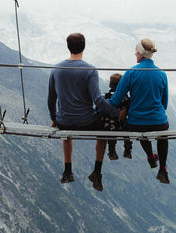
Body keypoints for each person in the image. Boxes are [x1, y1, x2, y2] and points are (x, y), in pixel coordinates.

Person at [47, 33, 125, 191]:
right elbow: (98, 100)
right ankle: (97, 171)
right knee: (102, 133)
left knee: (66, 134)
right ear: (84, 46)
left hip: (63, 120)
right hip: (86, 121)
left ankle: (68, 171)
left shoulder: (56, 69)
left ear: (68, 46)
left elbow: (51, 99)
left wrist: (54, 119)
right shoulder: (90, 70)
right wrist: (117, 113)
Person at [108, 38, 170, 184]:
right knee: (163, 133)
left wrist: (100, 106)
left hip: (136, 123)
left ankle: (150, 156)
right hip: (158, 121)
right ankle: (163, 169)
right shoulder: (162, 74)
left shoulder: (131, 73)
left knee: (141, 130)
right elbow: (164, 103)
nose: (134, 53)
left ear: (141, 54)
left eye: (136, 51)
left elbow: (116, 100)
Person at [97, 73, 133, 160]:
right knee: (128, 129)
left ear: (110, 84)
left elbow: (97, 109)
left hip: (107, 126)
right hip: (121, 126)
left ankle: (112, 152)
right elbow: (130, 110)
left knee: (111, 132)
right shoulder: (125, 98)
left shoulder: (104, 96)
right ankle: (127, 150)